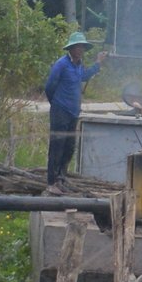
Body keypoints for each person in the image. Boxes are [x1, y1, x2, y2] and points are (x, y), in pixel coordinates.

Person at [44, 31, 105, 192]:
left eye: (82, 47)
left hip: (73, 113)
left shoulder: (78, 65)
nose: (79, 50)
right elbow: (49, 86)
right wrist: (56, 104)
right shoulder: (61, 64)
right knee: (57, 146)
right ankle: (51, 182)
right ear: (70, 49)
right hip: (60, 111)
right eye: (76, 47)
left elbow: (84, 76)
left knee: (69, 147)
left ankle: (61, 178)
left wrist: (98, 63)